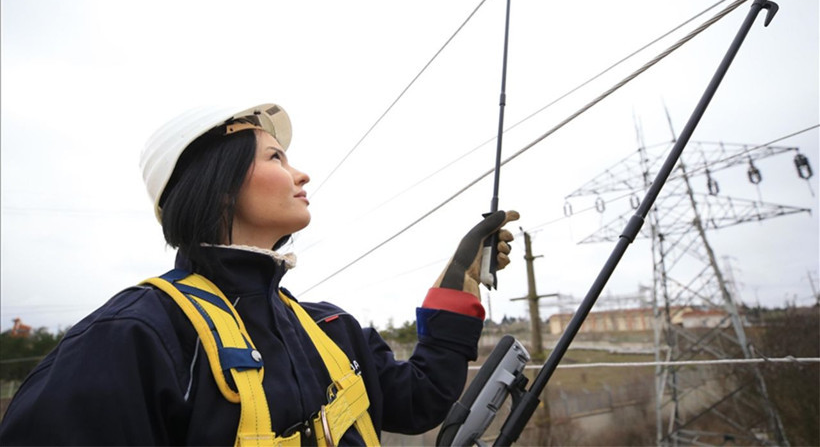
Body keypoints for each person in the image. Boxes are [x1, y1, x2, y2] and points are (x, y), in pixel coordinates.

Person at [0, 103, 519, 446]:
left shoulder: (328, 329)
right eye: (276, 156)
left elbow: (421, 399)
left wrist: (458, 285)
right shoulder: (136, 337)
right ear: (219, 185)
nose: (302, 173)